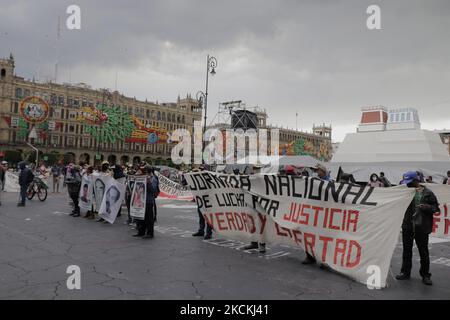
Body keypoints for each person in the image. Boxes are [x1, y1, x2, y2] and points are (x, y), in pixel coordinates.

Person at [396, 171, 439, 286]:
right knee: (406, 251)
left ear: (416, 180)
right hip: (407, 226)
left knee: (423, 252)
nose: (407, 184)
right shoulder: (405, 192)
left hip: (422, 227)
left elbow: (436, 208)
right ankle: (405, 272)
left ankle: (425, 275)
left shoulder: (428, 193)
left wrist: (426, 207)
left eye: (409, 182)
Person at [302, 163, 330, 265]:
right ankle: (310, 256)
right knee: (309, 234)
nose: (315, 172)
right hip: (313, 211)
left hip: (325, 213)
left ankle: (325, 260)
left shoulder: (330, 183)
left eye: (317, 170)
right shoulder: (313, 181)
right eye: (314, 170)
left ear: (322, 171)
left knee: (324, 237)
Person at [242, 164, 266, 253]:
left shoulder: (263, 178)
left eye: (257, 168)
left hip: (260, 205)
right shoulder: (250, 178)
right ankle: (254, 242)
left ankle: (262, 244)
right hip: (250, 204)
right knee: (251, 224)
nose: (256, 170)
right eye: (255, 168)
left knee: (260, 226)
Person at [133, 166, 157, 239]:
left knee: (148, 218)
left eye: (144, 171)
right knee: (141, 217)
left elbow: (153, 190)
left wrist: (148, 182)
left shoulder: (153, 179)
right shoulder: (142, 177)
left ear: (148, 172)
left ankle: (150, 233)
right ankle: (141, 232)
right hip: (141, 200)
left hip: (148, 200)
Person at [192, 167, 213, 240]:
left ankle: (208, 233)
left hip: (208, 201)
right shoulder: (198, 179)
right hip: (200, 201)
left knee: (208, 217)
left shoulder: (208, 179)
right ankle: (201, 230)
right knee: (201, 216)